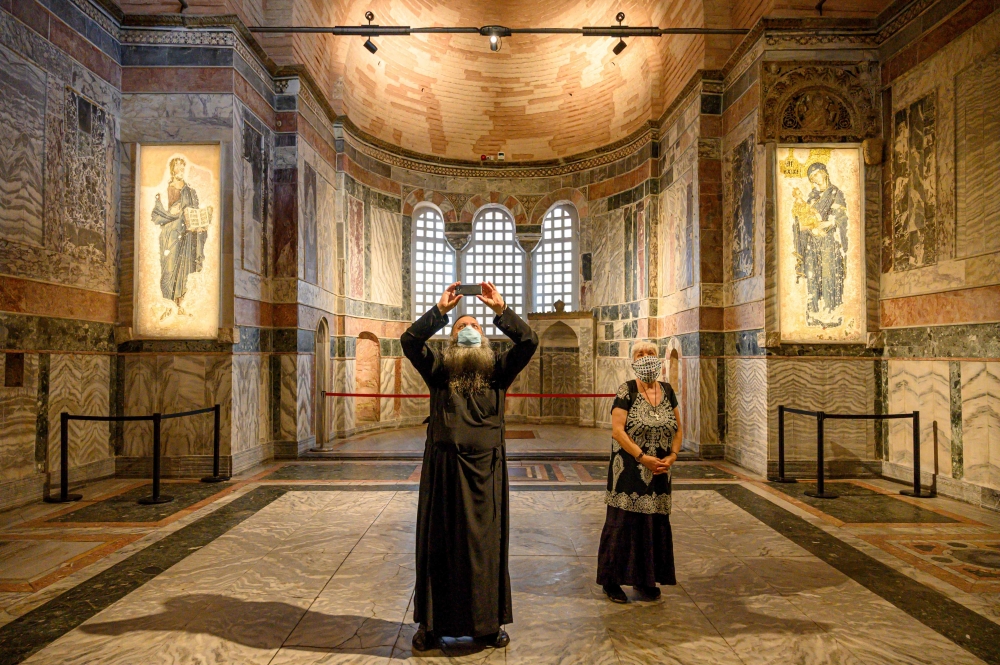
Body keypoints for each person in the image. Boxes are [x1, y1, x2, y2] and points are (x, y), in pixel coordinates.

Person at [401, 281, 539, 651]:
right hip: (444, 471)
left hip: (485, 472)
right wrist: (440, 311)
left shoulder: (498, 370)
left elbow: (529, 342)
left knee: (484, 548)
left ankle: (487, 625)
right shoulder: (439, 370)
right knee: (439, 546)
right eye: (462, 327)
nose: (468, 330)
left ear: (485, 338)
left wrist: (501, 310)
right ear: (451, 339)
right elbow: (409, 341)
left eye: (475, 326)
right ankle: (431, 626)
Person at [597, 341, 682, 603]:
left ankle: (645, 579)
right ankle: (611, 581)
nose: (646, 358)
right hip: (629, 470)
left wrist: (672, 456)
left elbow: (679, 428)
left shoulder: (667, 390)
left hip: (660, 472)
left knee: (652, 524)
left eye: (650, 353)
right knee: (623, 524)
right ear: (633, 361)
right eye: (640, 354)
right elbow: (618, 431)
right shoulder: (627, 390)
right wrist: (642, 458)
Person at [152, 157, 209, 318]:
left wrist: (201, 222)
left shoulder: (190, 191)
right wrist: (171, 213)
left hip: (187, 235)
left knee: (184, 269)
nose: (181, 169)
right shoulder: (164, 190)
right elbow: (156, 214)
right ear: (172, 169)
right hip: (170, 234)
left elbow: (195, 211)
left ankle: (180, 304)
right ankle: (167, 305)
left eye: (183, 166)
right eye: (178, 166)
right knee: (169, 269)